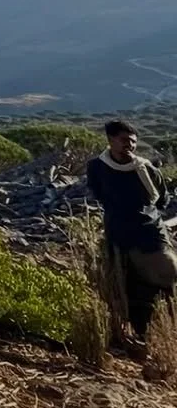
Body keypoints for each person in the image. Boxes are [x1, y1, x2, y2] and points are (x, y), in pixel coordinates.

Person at [86, 119, 177, 345]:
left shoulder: (146, 168)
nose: (130, 145)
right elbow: (99, 194)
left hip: (149, 231)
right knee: (129, 285)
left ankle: (170, 326)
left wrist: (143, 212)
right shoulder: (97, 167)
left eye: (134, 141)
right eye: (125, 140)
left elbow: (162, 199)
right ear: (111, 140)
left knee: (168, 273)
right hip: (118, 233)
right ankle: (141, 335)